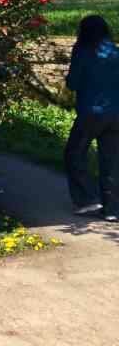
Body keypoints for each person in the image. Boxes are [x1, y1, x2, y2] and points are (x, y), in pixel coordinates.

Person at [65, 15, 119, 221]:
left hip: (91, 112)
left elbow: (73, 83)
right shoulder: (115, 51)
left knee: (74, 153)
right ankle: (112, 209)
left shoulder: (82, 51)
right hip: (117, 115)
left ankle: (87, 199)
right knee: (112, 161)